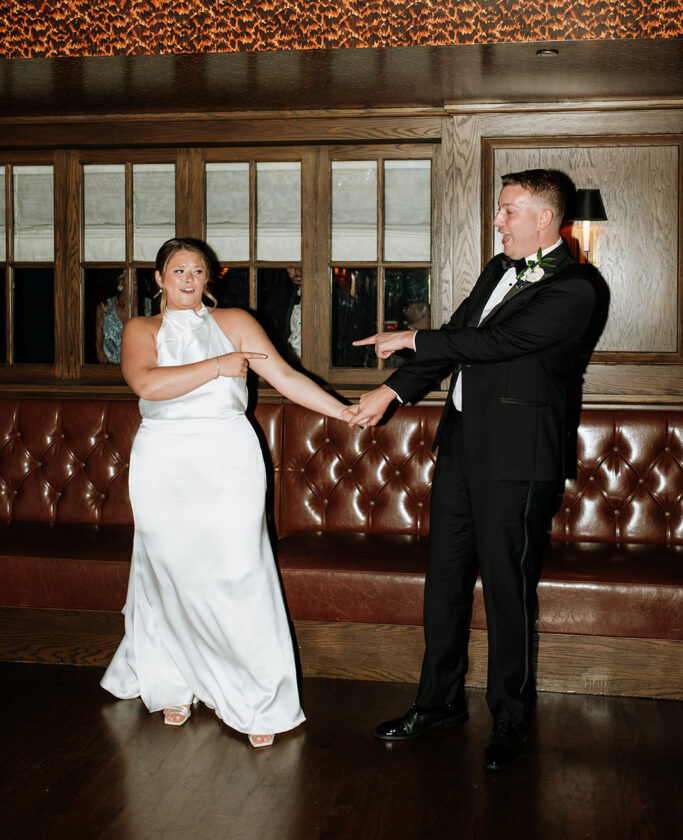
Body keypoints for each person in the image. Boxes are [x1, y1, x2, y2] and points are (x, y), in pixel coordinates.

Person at [349, 169, 595, 769]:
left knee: (507, 593)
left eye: (508, 210)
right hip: (460, 451)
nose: (497, 220)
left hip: (519, 462)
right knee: (445, 583)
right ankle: (438, 703)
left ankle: (509, 719)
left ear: (544, 218)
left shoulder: (577, 288)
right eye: (498, 210)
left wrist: (412, 337)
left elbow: (493, 344)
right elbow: (461, 334)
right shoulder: (496, 269)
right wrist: (393, 392)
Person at [101, 238, 354, 748]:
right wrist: (219, 366)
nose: (188, 279)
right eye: (178, 271)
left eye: (198, 271)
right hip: (164, 463)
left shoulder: (235, 322)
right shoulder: (141, 329)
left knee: (241, 575)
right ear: (159, 279)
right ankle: (175, 679)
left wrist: (344, 412)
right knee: (171, 573)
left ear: (210, 277)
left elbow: (284, 375)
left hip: (228, 460)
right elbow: (146, 384)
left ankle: (258, 699)